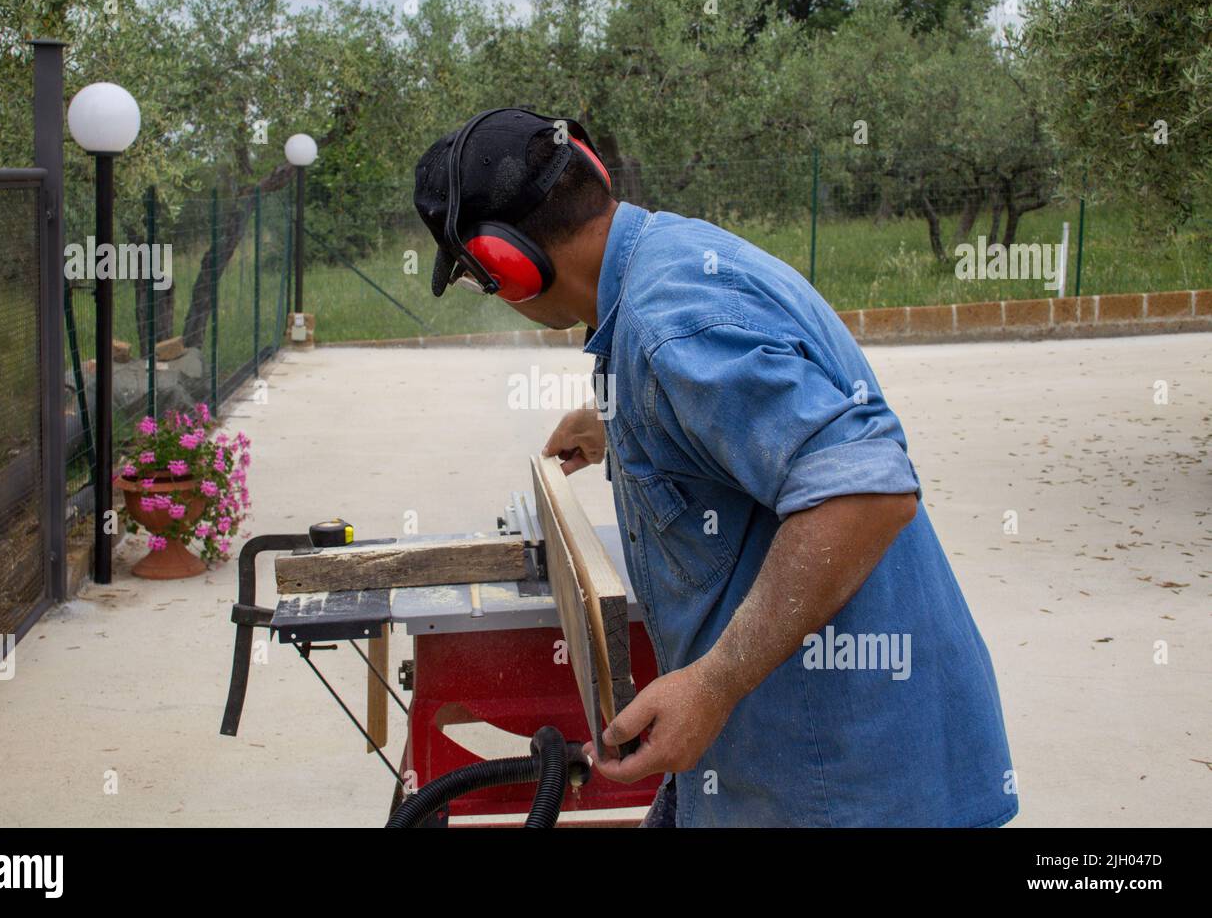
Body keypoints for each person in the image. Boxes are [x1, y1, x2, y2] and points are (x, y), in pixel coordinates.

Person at [413, 108, 1018, 827]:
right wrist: (622, 419)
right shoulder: (668, 257)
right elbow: (744, 410)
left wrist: (714, 683)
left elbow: (867, 493)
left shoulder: (672, 323)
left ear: (507, 265)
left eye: (482, 279)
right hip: (807, 759)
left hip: (840, 784)